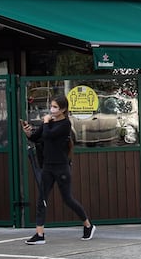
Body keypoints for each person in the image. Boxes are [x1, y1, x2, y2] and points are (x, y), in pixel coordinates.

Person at [22, 95, 95, 245]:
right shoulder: (49, 122)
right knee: (42, 198)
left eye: (55, 107)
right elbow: (36, 137)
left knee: (67, 199)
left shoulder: (65, 124)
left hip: (61, 166)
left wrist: (47, 122)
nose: (52, 109)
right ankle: (39, 233)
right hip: (47, 166)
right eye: (51, 106)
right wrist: (28, 132)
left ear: (63, 109)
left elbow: (48, 134)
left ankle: (88, 225)